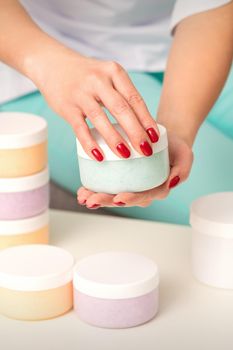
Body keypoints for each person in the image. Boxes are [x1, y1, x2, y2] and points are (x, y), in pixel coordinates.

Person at [0, 0, 233, 224]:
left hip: (185, 40)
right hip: (37, 53)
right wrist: (47, 63)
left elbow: (209, 6)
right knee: (222, 207)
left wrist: (177, 130)